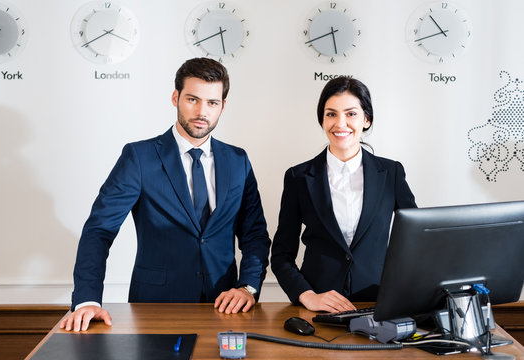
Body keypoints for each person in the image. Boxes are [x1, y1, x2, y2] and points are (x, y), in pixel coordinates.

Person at [61, 58, 271, 332]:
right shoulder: (139, 157)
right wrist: (87, 300)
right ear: (176, 98)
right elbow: (99, 230)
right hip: (155, 307)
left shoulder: (237, 160)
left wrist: (248, 287)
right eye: (192, 99)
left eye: (212, 103)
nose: (202, 111)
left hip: (226, 308)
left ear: (223, 106)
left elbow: (254, 235)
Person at [270, 76, 416, 313]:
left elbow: (415, 240)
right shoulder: (298, 177)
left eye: (351, 114)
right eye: (331, 114)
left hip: (378, 303)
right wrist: (306, 296)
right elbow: (281, 255)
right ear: (322, 120)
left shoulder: (391, 173)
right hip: (318, 307)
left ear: (366, 119)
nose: (340, 123)